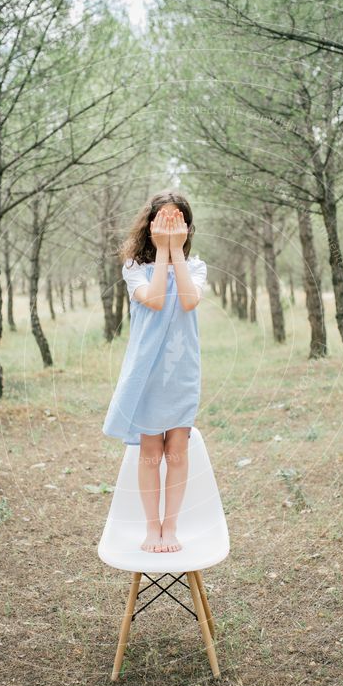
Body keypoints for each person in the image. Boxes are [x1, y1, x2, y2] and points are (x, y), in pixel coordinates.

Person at [102, 190, 207, 554]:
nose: (169, 225)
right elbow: (158, 299)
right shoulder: (133, 269)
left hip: (182, 372)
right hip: (147, 372)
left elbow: (190, 300)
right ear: (149, 225)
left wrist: (176, 249)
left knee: (177, 450)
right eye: (163, 218)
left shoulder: (195, 267)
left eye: (177, 219)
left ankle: (171, 526)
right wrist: (163, 249)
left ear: (187, 227)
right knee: (150, 451)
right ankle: (151, 528)